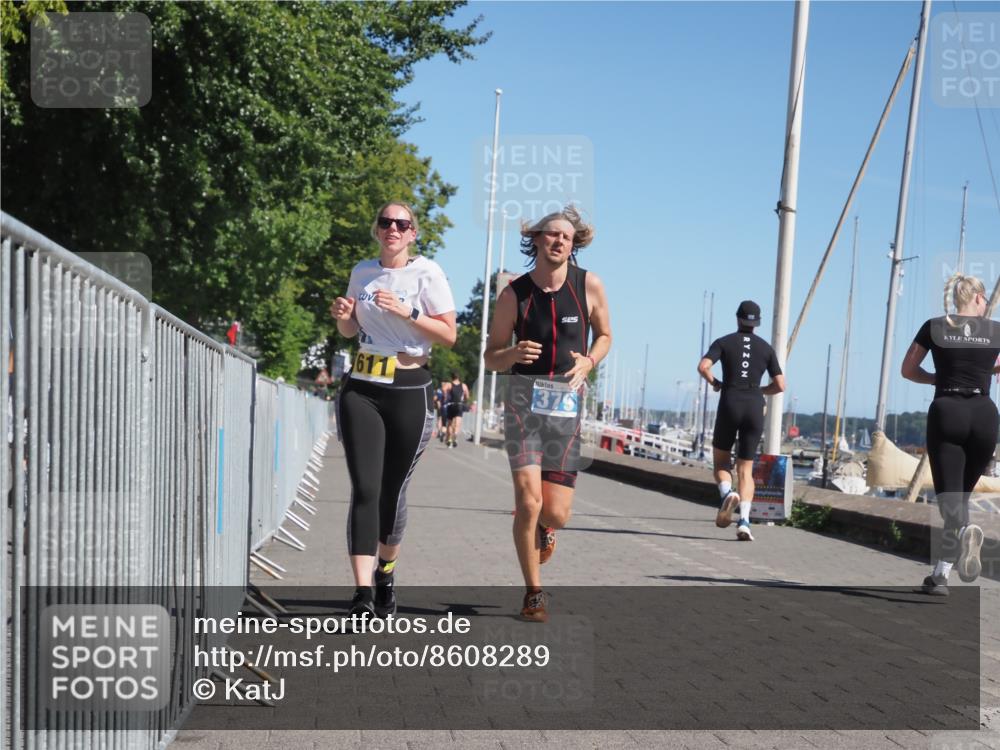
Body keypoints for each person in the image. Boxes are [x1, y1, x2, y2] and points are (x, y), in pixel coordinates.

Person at [484, 205, 611, 623]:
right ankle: (533, 593)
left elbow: (607, 335)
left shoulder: (588, 285)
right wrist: (513, 353)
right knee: (528, 501)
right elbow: (490, 357)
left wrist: (590, 362)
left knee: (555, 512)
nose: (559, 241)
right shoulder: (513, 294)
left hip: (566, 407)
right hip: (522, 404)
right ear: (536, 239)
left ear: (574, 246)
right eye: (551, 234)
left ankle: (547, 529)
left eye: (567, 237)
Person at [330, 202, 457, 617]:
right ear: (377, 229)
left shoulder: (428, 273)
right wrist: (344, 317)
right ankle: (363, 594)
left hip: (408, 387)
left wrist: (409, 311)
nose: (393, 229)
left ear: (413, 234)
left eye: (402, 224)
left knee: (392, 492)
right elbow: (351, 331)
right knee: (365, 489)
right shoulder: (362, 272)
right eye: (385, 222)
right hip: (362, 386)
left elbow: (449, 335)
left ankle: (386, 570)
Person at [901, 273, 999, 596]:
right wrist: (987, 370)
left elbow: (908, 369)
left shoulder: (935, 326)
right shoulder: (995, 330)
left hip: (948, 410)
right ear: (979, 298)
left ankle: (966, 532)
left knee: (950, 500)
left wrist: (936, 378)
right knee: (961, 498)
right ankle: (940, 575)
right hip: (985, 416)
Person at [697, 300, 785, 541]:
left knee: (721, 462)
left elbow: (703, 366)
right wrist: (760, 392)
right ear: (757, 323)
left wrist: (716, 383)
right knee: (746, 470)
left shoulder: (724, 342)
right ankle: (744, 521)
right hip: (755, 407)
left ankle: (726, 493)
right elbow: (780, 385)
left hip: (730, 402)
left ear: (738, 319)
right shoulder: (766, 348)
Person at [442, 372, 469, 448]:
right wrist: (465, 401)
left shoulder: (449, 384)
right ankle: (455, 435)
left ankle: (450, 439)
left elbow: (444, 389)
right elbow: (467, 395)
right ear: (458, 377)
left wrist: (445, 396)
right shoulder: (463, 385)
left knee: (450, 424)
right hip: (459, 405)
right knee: (458, 423)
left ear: (452, 377)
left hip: (451, 405)